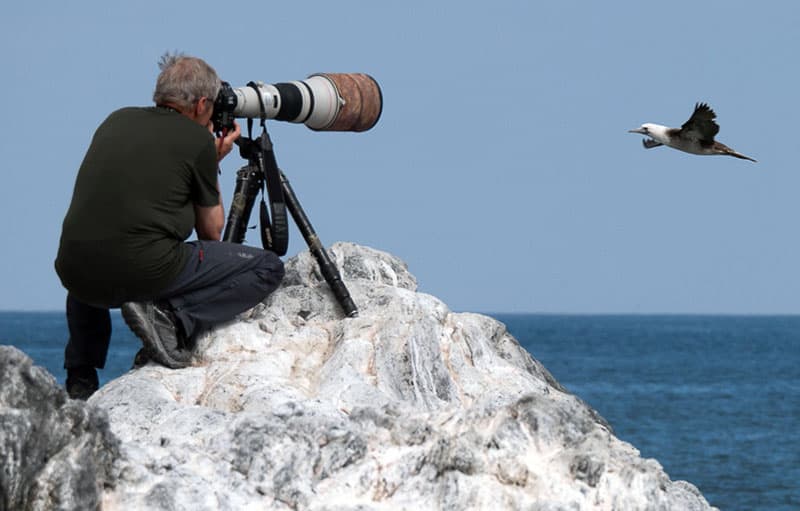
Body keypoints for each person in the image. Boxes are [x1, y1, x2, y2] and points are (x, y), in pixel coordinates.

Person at [55, 53, 285, 400]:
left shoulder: (116, 119)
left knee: (98, 252)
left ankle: (80, 380)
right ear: (203, 104)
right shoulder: (196, 144)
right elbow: (211, 233)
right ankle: (173, 319)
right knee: (268, 267)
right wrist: (211, 161)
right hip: (144, 271)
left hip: (75, 271)